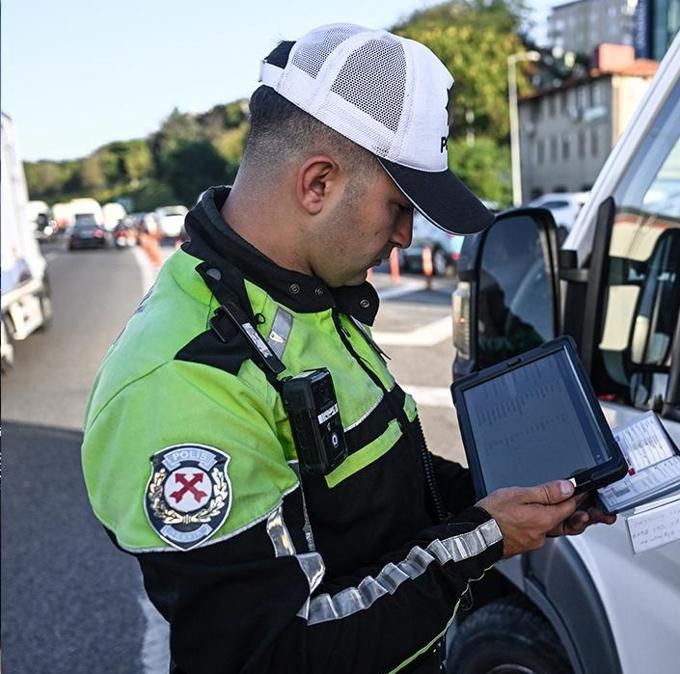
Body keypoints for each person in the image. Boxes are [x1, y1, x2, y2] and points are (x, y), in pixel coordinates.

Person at [81, 24, 614, 673]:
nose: (406, 237)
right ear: (317, 184)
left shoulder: (303, 295)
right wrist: (483, 536)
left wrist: (510, 492)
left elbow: (381, 491)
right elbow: (274, 652)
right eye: (398, 205)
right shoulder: (180, 385)